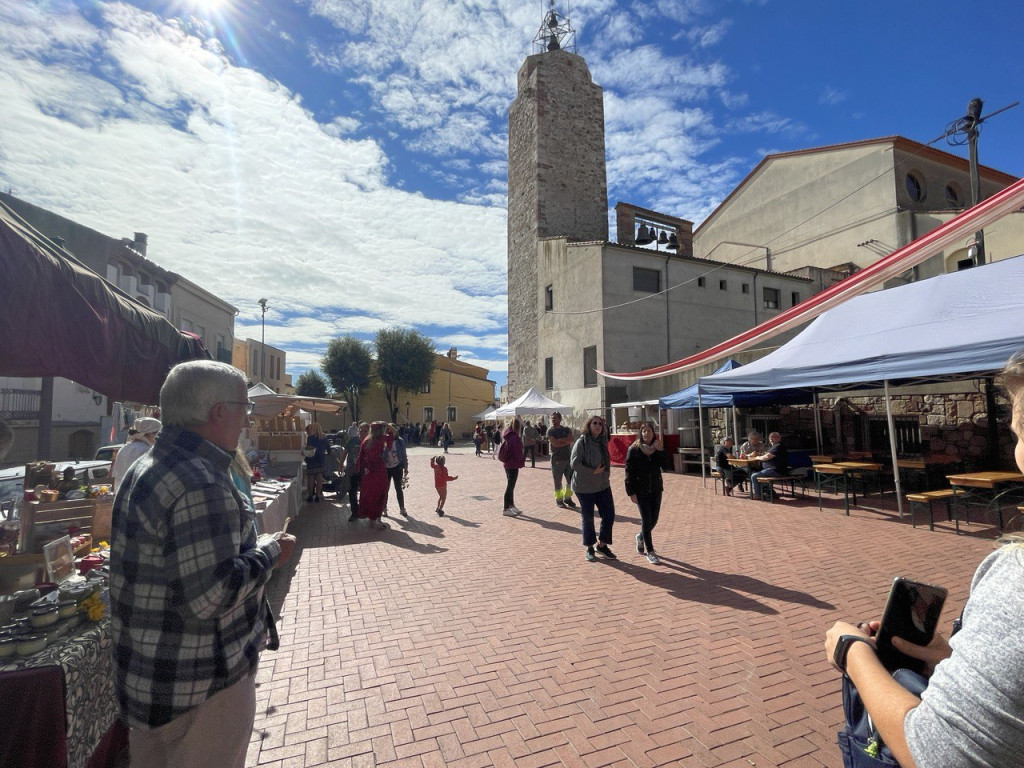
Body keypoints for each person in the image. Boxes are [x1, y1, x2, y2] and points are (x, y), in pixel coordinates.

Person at [823, 350, 1024, 768]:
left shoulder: (1015, 579)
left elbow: (938, 754)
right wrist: (953, 658)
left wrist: (852, 655)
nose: (1016, 452)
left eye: (1019, 433)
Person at [109, 360, 296, 768]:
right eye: (244, 408)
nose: (247, 421)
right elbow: (211, 596)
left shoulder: (146, 467)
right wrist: (271, 553)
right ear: (219, 412)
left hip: (152, 684)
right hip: (200, 691)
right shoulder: (200, 481)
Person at [571, 415, 616, 562]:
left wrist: (606, 474)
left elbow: (607, 460)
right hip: (584, 487)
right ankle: (590, 547)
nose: (598, 426)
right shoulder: (581, 442)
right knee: (588, 518)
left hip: (602, 484)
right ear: (589, 426)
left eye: (600, 424)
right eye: (594, 423)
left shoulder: (602, 441)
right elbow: (575, 464)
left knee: (609, 514)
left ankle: (602, 545)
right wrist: (592, 472)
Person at [624, 422, 665, 564]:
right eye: (644, 431)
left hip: (655, 488)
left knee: (654, 520)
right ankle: (650, 551)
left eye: (649, 431)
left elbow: (666, 466)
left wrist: (661, 451)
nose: (646, 434)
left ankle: (641, 536)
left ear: (654, 433)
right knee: (646, 520)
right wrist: (630, 492)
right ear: (640, 434)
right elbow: (629, 471)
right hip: (640, 490)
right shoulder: (634, 449)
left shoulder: (657, 449)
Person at [111, 416, 162, 492]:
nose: (158, 437)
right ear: (146, 434)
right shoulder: (145, 451)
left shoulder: (124, 448)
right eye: (156, 433)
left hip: (120, 495)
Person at [357, 421, 390, 530]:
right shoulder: (381, 439)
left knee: (369, 495)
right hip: (379, 471)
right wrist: (388, 424)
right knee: (380, 494)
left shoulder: (366, 441)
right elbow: (394, 435)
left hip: (368, 472)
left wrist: (361, 470)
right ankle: (375, 519)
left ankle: (371, 519)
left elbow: (360, 458)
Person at [546, 412, 576, 509]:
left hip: (568, 458)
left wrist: (560, 440)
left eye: (554, 418)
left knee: (570, 480)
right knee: (558, 481)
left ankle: (568, 497)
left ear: (560, 419)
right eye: (552, 418)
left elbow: (571, 439)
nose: (553, 420)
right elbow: (555, 444)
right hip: (557, 460)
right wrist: (565, 441)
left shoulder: (566, 429)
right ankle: (559, 500)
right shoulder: (550, 431)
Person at [341, 422, 368, 522]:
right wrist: (340, 465)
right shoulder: (352, 441)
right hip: (352, 471)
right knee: (352, 492)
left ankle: (365, 511)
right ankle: (354, 513)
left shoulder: (369, 441)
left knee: (365, 492)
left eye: (365, 431)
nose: (362, 433)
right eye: (361, 430)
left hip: (364, 472)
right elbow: (345, 453)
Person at [749, 431, 788, 499]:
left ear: (779, 438)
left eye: (774, 437)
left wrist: (757, 458)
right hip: (771, 469)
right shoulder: (774, 446)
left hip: (776, 470)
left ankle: (758, 495)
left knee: (754, 476)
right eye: (770, 437)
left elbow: (767, 457)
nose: (771, 439)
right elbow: (766, 454)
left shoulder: (778, 446)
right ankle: (770, 492)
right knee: (755, 472)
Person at [499, 418, 525, 516]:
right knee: (510, 486)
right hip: (513, 464)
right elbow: (518, 453)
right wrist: (522, 460)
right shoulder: (515, 438)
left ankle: (511, 505)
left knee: (511, 485)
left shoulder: (507, 435)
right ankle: (506, 508)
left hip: (507, 464)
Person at [383, 423, 408, 517]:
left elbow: (404, 455)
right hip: (386, 468)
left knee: (398, 488)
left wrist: (406, 467)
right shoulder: (384, 441)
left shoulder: (399, 441)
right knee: (385, 489)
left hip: (397, 467)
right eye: (388, 430)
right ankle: (384, 508)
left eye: (392, 430)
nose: (390, 432)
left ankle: (402, 508)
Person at [303, 423, 330, 502]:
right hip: (320, 459)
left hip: (311, 459)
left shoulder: (310, 437)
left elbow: (308, 448)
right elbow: (328, 448)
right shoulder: (324, 437)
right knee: (319, 478)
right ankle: (318, 495)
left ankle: (310, 495)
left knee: (311, 478)